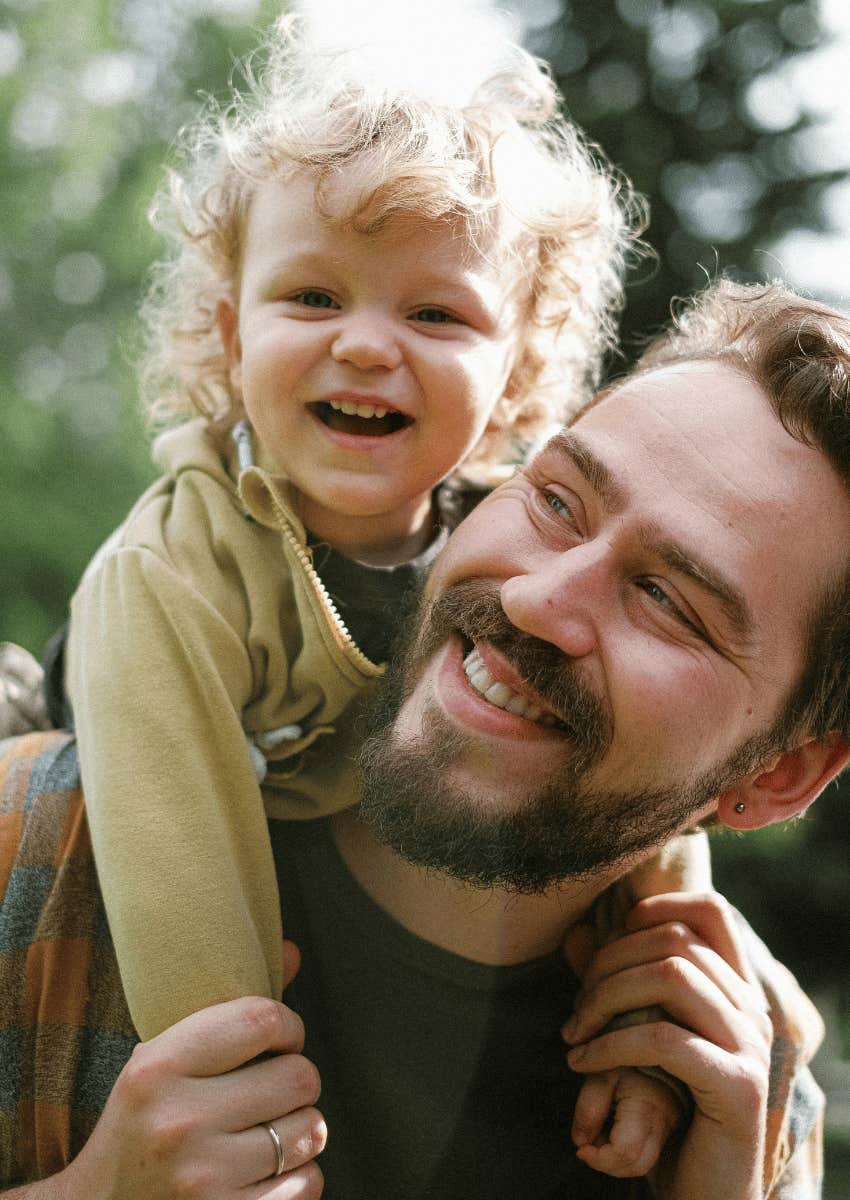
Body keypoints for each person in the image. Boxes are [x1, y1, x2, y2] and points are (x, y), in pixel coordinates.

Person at [0, 278, 841, 1198]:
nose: (535, 598)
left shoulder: (741, 1087)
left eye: (668, 600)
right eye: (557, 502)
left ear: (782, 774)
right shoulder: (28, 850)